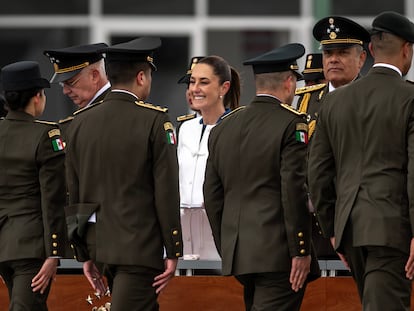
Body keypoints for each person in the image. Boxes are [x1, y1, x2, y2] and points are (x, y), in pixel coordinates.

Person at [65, 37, 183, 310]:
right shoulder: (154, 120)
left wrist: (83, 251)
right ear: (141, 77)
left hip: (101, 246)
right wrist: (173, 248)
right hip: (138, 248)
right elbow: (166, 190)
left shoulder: (79, 123)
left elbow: (74, 192)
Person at [308, 11, 414, 310]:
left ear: (369, 51)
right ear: (407, 49)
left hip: (350, 230)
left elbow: (317, 174)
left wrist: (333, 232)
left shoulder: (335, 101)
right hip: (391, 231)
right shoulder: (408, 97)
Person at [203, 43, 319, 311]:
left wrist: (228, 245)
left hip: (241, 253)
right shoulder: (291, 122)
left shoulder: (224, 127)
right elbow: (294, 191)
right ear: (289, 83)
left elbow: (212, 194)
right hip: (279, 255)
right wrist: (300, 250)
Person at [296, 16, 371, 260]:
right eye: (328, 53)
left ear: (361, 59)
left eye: (342, 52)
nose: (333, 59)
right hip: (313, 220)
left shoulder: (371, 99)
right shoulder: (309, 100)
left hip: (360, 218)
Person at [0, 61, 67, 310]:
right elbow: (53, 199)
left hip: (4, 245)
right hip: (31, 247)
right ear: (37, 97)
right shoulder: (45, 135)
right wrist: (54, 252)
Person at [178, 55, 240, 263]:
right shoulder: (186, 128)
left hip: (218, 229)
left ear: (224, 88)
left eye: (204, 82)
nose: (195, 88)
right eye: (192, 82)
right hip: (184, 228)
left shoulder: (235, 127)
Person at [43, 43, 111, 138]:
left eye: (71, 83)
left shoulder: (114, 111)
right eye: (62, 84)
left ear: (94, 76)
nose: (65, 91)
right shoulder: (82, 117)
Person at [175, 56, 205, 136]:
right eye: (189, 85)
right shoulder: (184, 126)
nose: (192, 91)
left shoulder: (229, 123)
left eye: (203, 83)